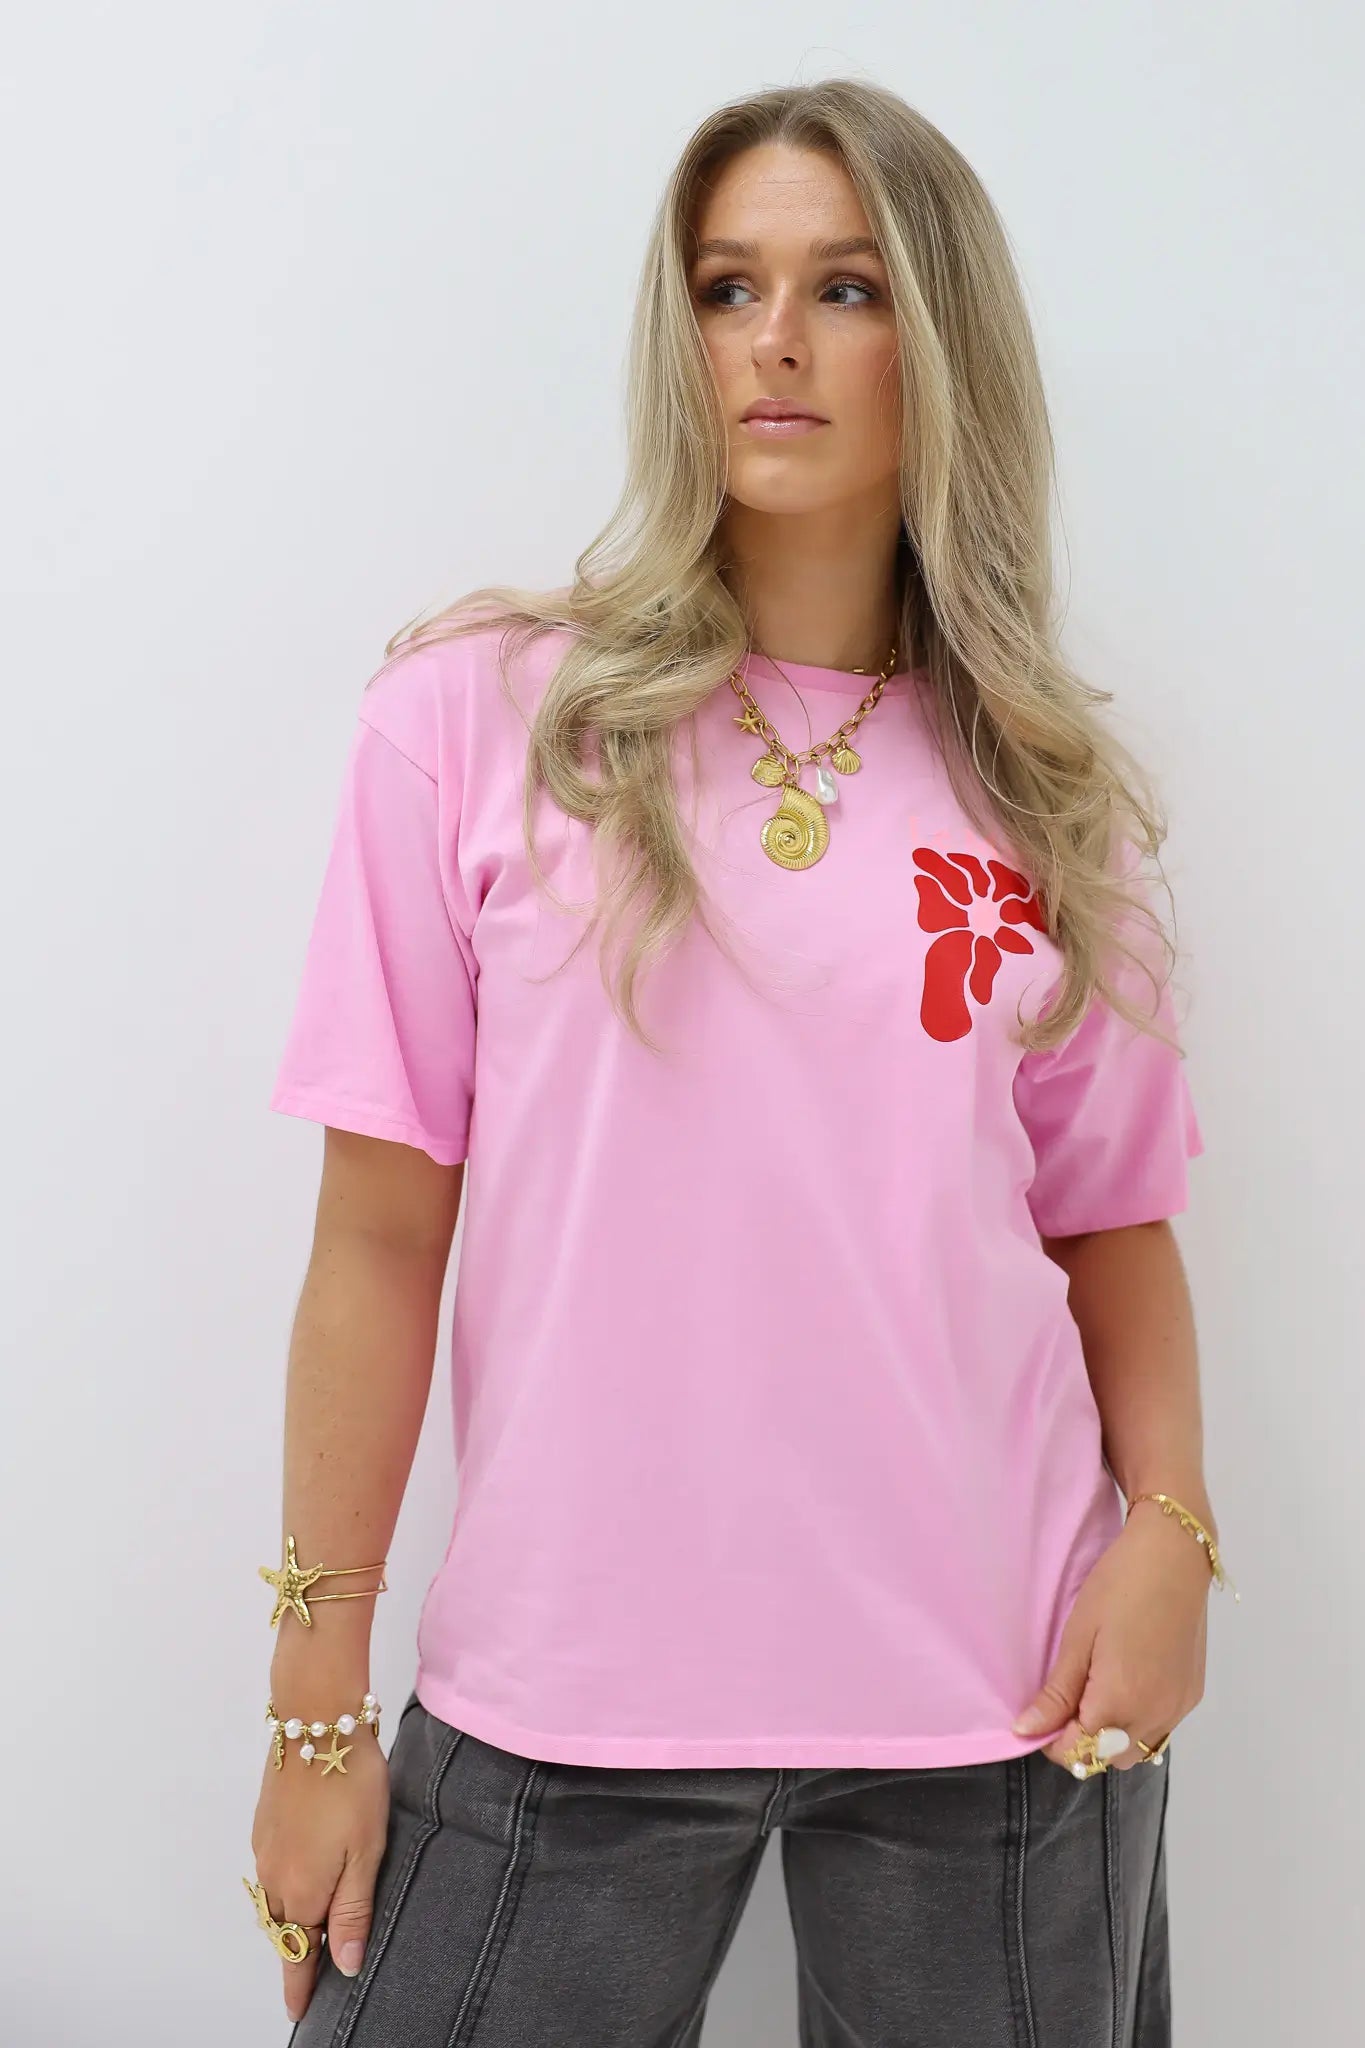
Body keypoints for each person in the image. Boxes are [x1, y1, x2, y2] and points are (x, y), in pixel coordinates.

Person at [248, 77, 1232, 2048]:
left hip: (1005, 1691)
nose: (773, 338)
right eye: (725, 285)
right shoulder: (482, 720)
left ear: (936, 340)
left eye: (845, 288)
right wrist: (316, 1711)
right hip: (562, 1682)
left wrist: (1171, 1538)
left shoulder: (1040, 795)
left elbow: (1107, 1227)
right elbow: (375, 1238)